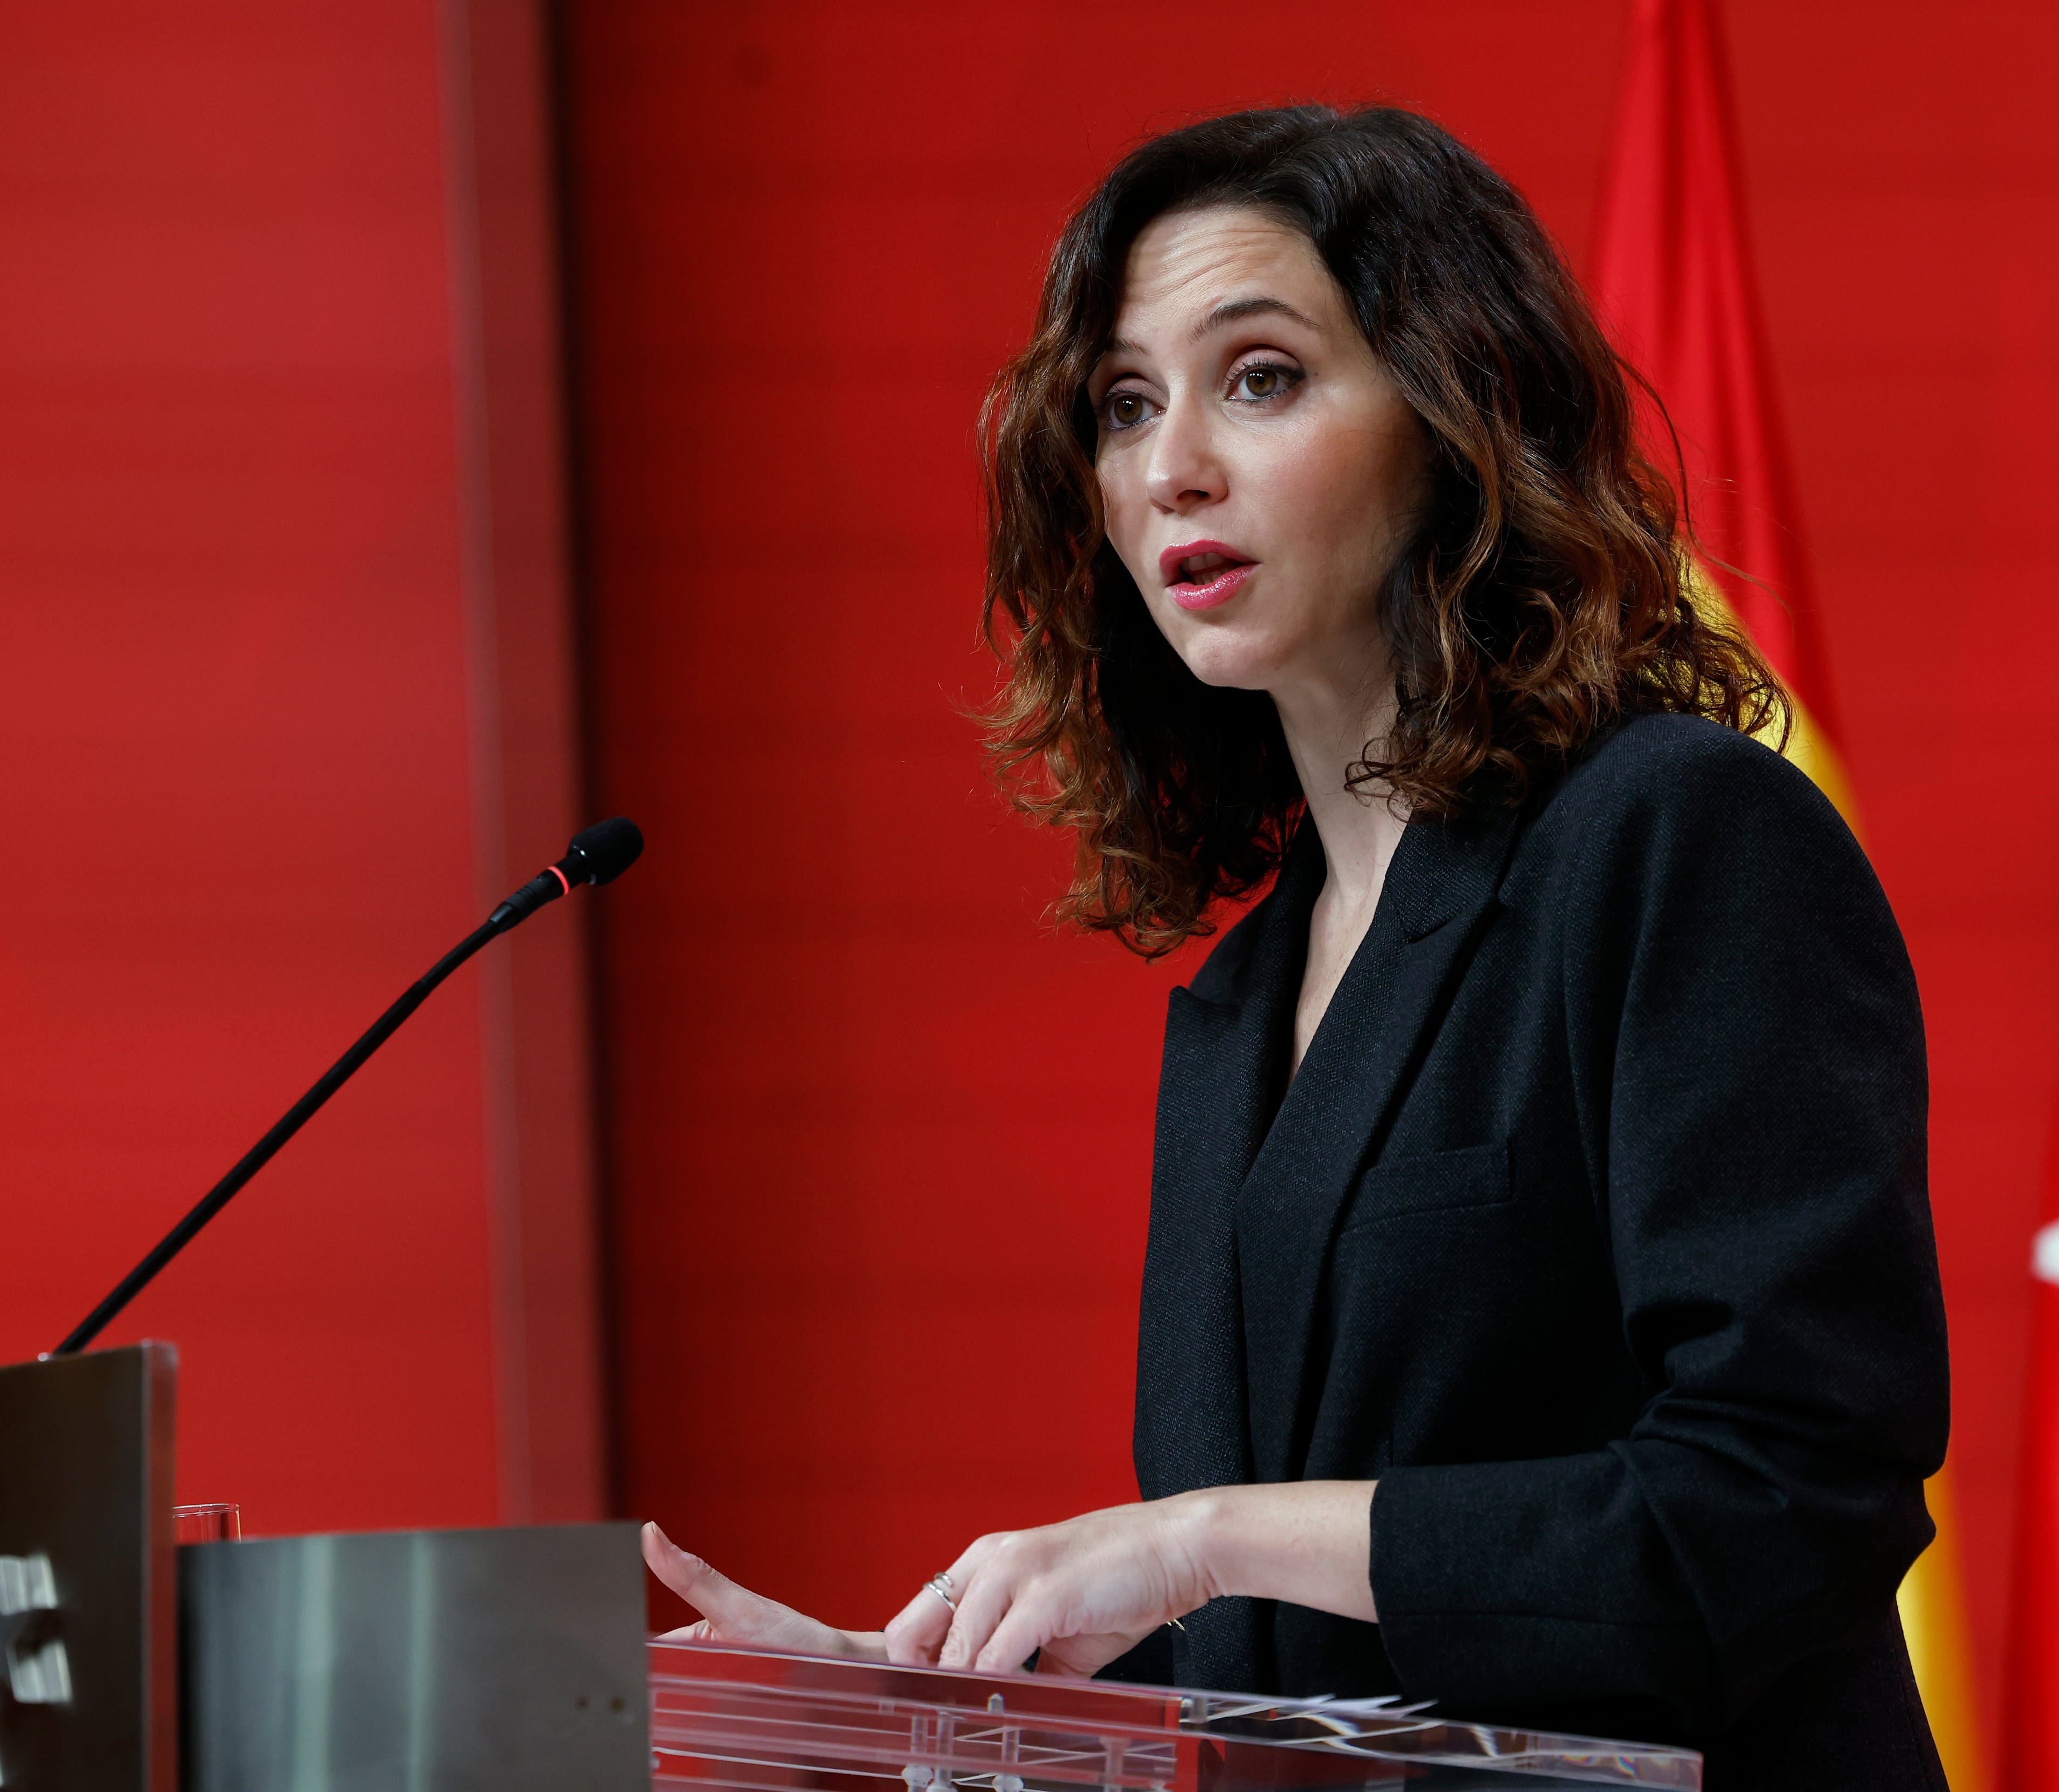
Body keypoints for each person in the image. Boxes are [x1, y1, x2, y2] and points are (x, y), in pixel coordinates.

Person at [642, 104, 1950, 1790]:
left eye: (1258, 377)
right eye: (1125, 405)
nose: (1173, 462)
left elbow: (1787, 1502)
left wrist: (1197, 1539)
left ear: (1452, 413)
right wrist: (919, 1709)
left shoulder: (1678, 837)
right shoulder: (1247, 995)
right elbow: (1288, 1691)